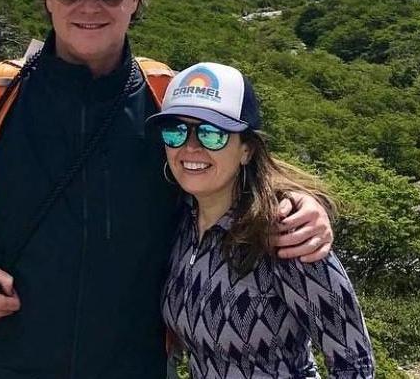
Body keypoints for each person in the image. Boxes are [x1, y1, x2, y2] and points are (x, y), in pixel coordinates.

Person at [0, 0, 334, 379]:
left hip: (136, 364)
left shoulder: (168, 98)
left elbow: (242, 167)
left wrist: (303, 204)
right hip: (4, 360)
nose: (90, 6)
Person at [151, 61, 375, 379]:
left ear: (246, 149)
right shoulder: (181, 223)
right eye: (175, 131)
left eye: (212, 134)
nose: (190, 147)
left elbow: (354, 363)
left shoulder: (285, 232)